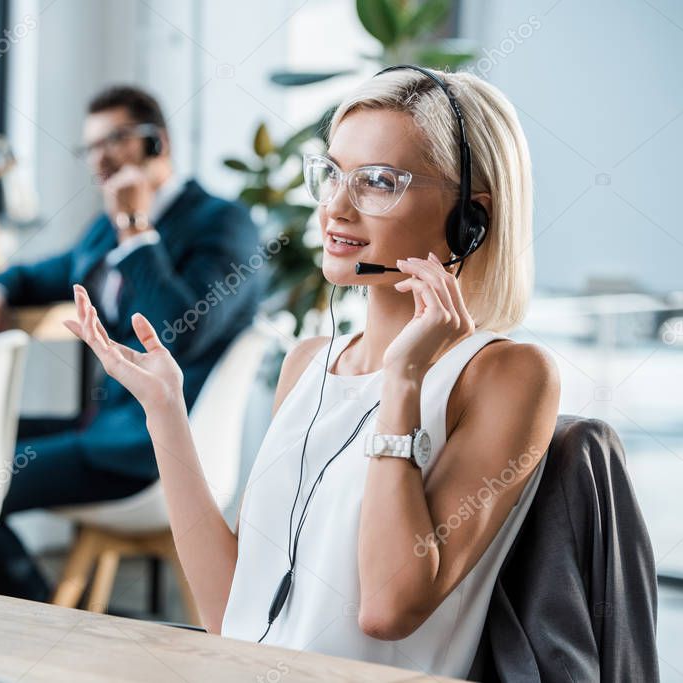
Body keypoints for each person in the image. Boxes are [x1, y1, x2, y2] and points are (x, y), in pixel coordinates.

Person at [64, 67, 560, 680]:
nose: (336, 207)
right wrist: (165, 410)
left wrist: (402, 379)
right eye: (332, 174)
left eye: (379, 181)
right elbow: (231, 613)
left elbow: (388, 608)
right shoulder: (306, 365)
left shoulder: (507, 374)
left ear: (470, 218)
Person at [0, 85, 262, 601]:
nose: (99, 158)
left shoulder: (222, 223)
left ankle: (44, 624)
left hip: (149, 448)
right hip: (105, 425)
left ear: (156, 142)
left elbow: (177, 331)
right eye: (91, 147)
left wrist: (136, 226)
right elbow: (42, 274)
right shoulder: (105, 229)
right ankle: (43, 614)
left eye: (114, 141)